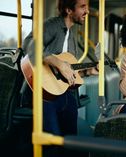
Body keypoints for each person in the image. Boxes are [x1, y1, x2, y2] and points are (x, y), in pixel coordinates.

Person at [23, 0, 97, 156]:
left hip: (65, 94)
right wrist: (57, 62)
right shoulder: (52, 25)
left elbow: (68, 71)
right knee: (52, 144)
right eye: (83, 7)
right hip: (45, 94)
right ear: (69, 10)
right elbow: (29, 44)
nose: (87, 11)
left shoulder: (72, 37)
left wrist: (87, 72)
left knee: (71, 143)